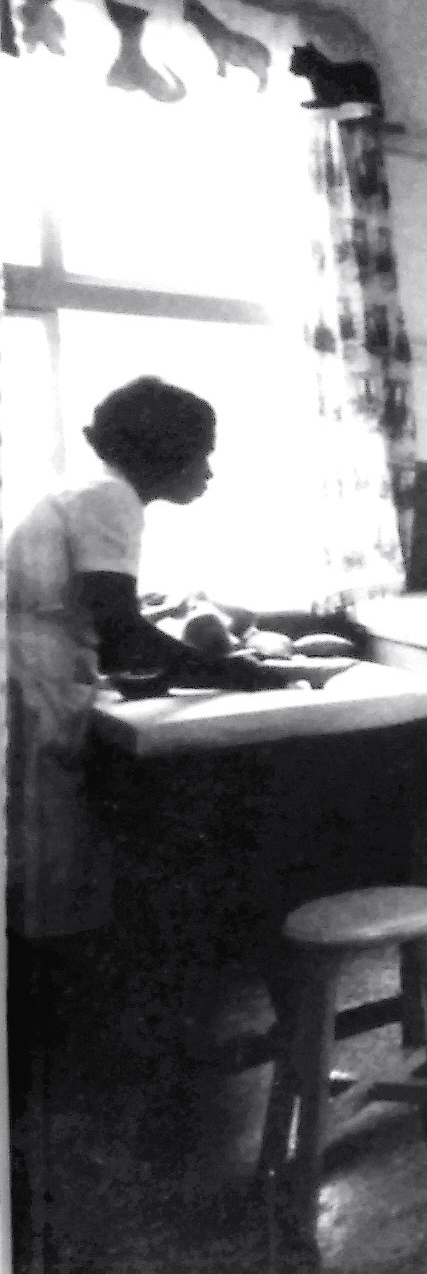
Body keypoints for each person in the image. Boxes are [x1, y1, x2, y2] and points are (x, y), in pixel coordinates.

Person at [6, 378, 284, 1012]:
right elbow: (123, 632)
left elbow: (109, 626)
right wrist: (237, 673)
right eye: (202, 453)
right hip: (31, 680)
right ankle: (75, 1032)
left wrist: (166, 670)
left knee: (40, 857)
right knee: (49, 862)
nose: (209, 471)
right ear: (164, 451)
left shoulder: (87, 490)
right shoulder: (111, 497)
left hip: (37, 672)